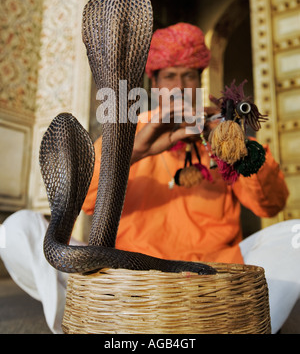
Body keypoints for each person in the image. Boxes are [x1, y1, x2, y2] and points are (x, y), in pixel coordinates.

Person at [0, 22, 299, 334]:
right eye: (170, 76)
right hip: (129, 275)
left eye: (189, 75)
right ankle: (89, 327)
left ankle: (232, 328)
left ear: (200, 81)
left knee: (296, 238)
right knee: (17, 230)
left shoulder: (223, 133)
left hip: (211, 276)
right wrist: (136, 150)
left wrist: (236, 148)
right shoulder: (128, 131)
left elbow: (272, 204)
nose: (181, 85)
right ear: (154, 84)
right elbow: (84, 201)